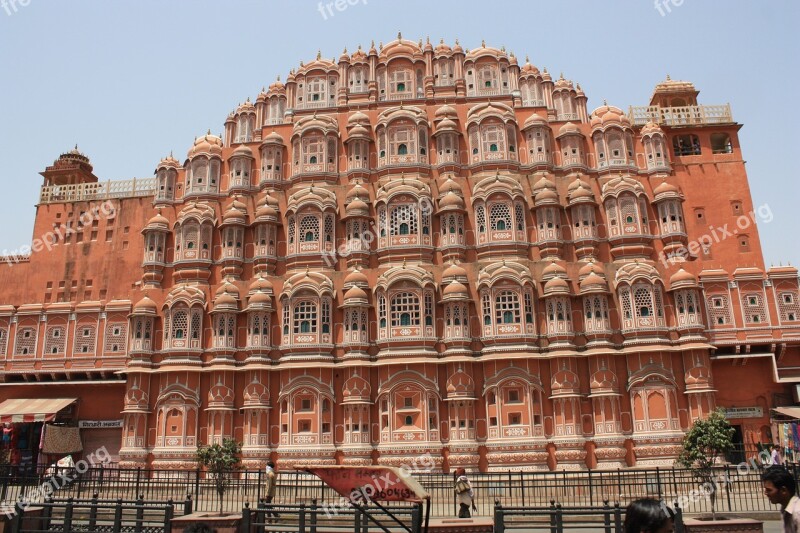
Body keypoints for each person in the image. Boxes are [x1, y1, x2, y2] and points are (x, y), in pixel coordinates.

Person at [762, 466, 800, 532]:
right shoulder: (785, 509)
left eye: (769, 490)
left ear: (783, 490)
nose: (766, 493)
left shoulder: (797, 512)